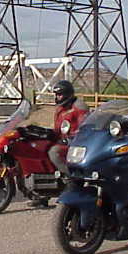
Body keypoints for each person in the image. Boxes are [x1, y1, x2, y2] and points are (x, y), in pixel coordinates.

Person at [29, 80, 89, 208]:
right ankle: (40, 193)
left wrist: (71, 136)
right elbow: (57, 129)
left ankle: (73, 180)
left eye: (60, 95)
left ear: (67, 94)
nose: (57, 98)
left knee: (54, 152)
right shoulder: (60, 109)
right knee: (39, 149)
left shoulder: (79, 107)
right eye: (56, 95)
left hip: (76, 144)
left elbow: (85, 128)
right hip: (62, 140)